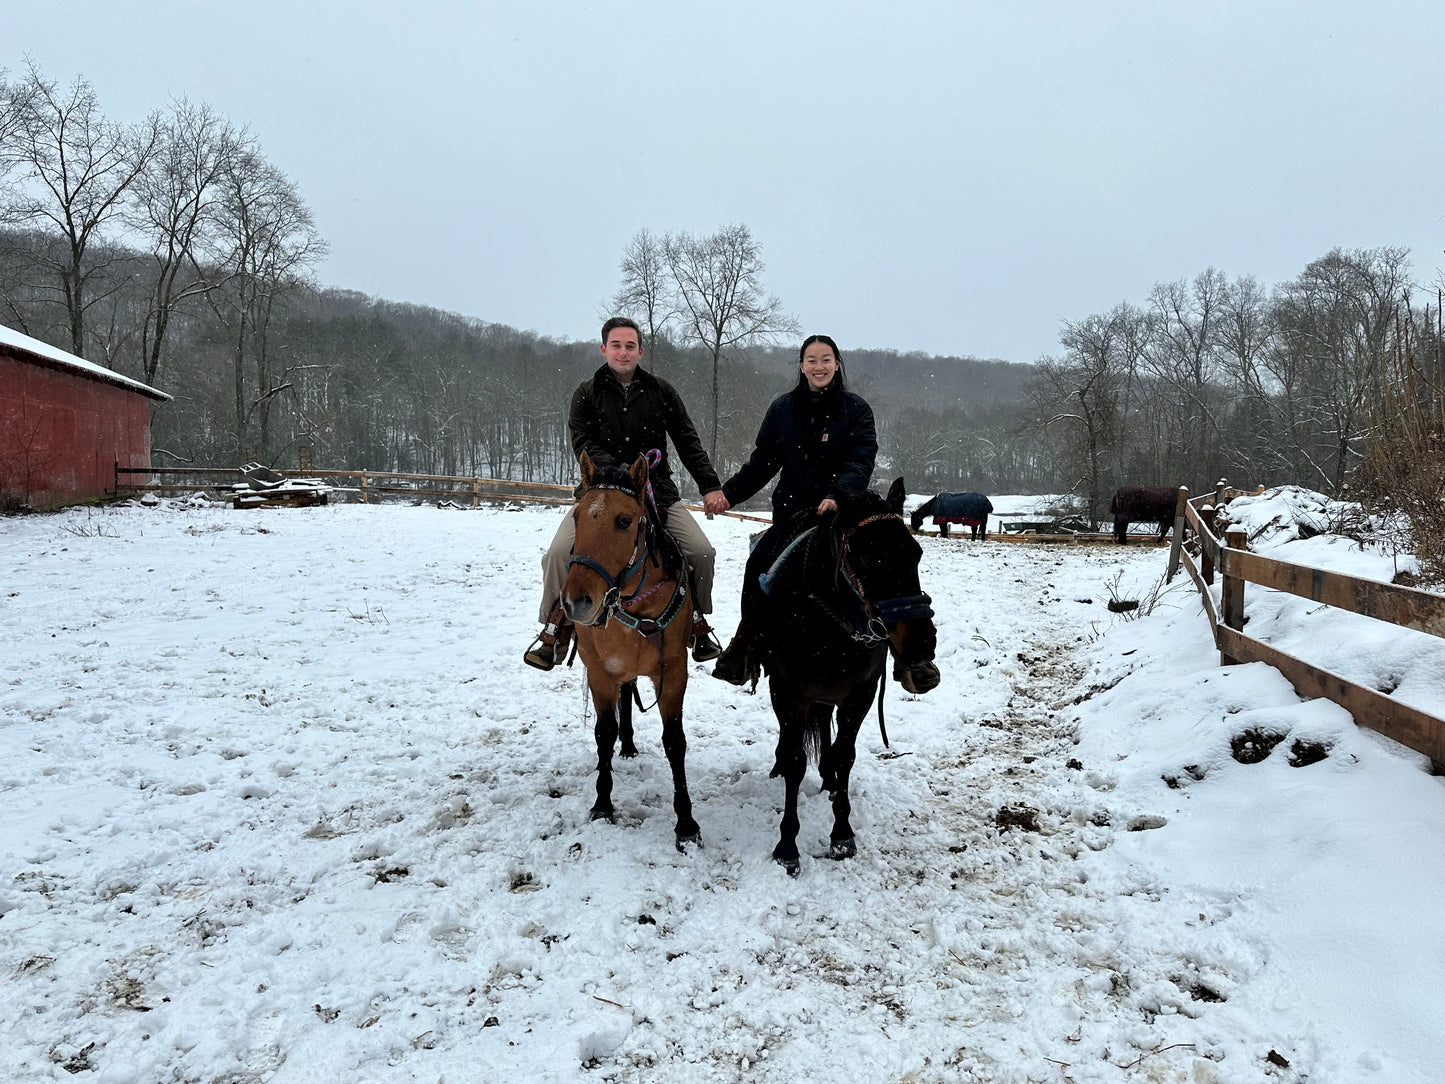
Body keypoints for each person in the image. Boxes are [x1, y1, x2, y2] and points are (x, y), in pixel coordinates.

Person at [525, 317, 730, 670]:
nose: (623, 352)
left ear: (640, 350)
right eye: (616, 345)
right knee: (558, 553)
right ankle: (555, 627)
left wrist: (710, 485)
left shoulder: (661, 390)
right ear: (604, 349)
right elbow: (583, 444)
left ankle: (696, 624)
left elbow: (686, 439)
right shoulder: (586, 393)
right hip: (599, 495)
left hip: (657, 492)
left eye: (630, 346)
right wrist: (621, 473)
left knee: (701, 551)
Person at [709, 333, 878, 684]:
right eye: (812, 360)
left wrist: (838, 494)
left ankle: (900, 652)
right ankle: (745, 649)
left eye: (826, 359)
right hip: (792, 516)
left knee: (882, 570)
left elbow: (861, 460)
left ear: (837, 363)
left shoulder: (856, 409)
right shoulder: (783, 409)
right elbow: (763, 463)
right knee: (758, 564)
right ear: (801, 366)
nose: (819, 366)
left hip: (840, 515)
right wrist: (729, 494)